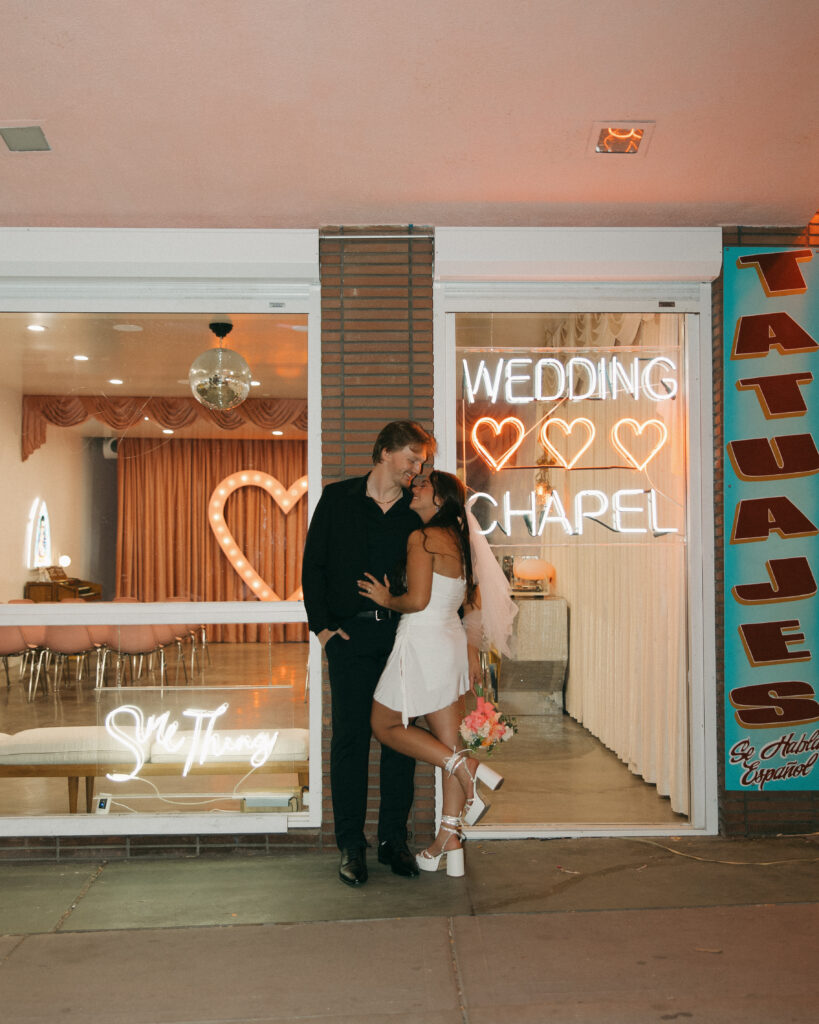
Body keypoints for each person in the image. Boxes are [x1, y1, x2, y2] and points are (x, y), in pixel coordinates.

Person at [359, 470, 513, 878]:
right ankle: (449, 837)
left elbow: (417, 600)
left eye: (424, 485)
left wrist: (385, 598)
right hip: (447, 643)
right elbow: (465, 601)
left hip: (422, 642)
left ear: (441, 499)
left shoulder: (423, 538)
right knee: (448, 742)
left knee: (385, 723)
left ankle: (468, 770)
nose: (416, 486)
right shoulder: (459, 543)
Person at [302, 420, 436, 887]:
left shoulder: (416, 513)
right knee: (350, 743)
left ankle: (392, 843)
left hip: (401, 640)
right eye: (412, 458)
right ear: (383, 452)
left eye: (422, 462)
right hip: (349, 642)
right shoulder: (337, 499)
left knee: (399, 742)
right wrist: (322, 631)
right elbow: (312, 566)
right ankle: (351, 847)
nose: (418, 469)